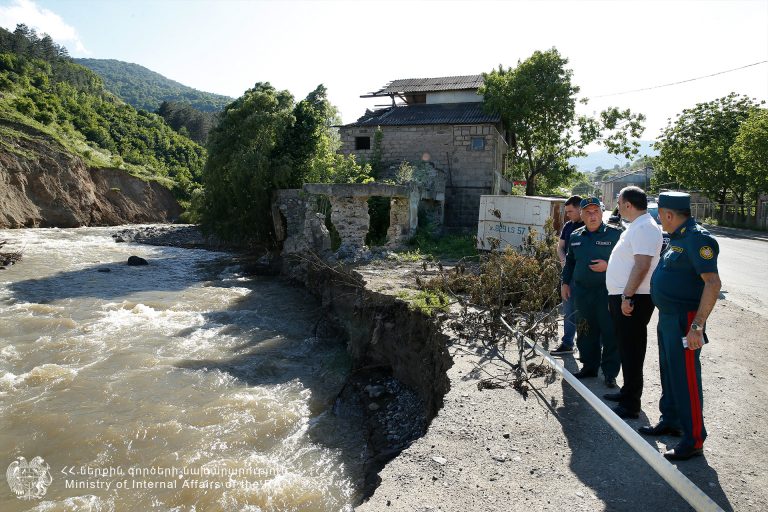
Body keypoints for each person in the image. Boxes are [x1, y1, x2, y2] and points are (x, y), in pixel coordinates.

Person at [642, 191, 721, 461]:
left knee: (686, 379)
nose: (660, 219)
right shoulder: (677, 238)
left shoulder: (698, 239)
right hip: (667, 318)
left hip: (685, 320)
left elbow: (712, 283)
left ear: (668, 214)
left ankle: (694, 439)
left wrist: (697, 326)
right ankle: (672, 420)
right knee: (670, 373)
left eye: (660, 214)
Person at [604, 186, 663, 419]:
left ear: (628, 204)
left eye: (619, 203)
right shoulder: (637, 226)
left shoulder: (645, 228)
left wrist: (627, 296)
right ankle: (627, 392)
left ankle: (631, 404)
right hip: (626, 295)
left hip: (635, 298)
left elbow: (642, 265)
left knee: (632, 349)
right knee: (625, 347)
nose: (618, 207)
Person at [561, 197, 622, 386]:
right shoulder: (576, 236)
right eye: (587, 212)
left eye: (595, 211)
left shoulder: (615, 235)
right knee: (586, 330)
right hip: (583, 292)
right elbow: (570, 261)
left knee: (610, 332)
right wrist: (565, 283)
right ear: (582, 214)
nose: (592, 215)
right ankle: (589, 367)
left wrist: (608, 266)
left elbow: (629, 263)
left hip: (607, 293)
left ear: (602, 213)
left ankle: (610, 372)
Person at [551, 195, 583, 355]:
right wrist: (564, 261)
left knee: (586, 311)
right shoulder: (568, 226)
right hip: (569, 275)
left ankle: (588, 347)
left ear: (580, 209)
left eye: (570, 211)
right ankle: (567, 343)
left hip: (586, 277)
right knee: (569, 308)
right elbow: (560, 246)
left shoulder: (590, 225)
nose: (568, 214)